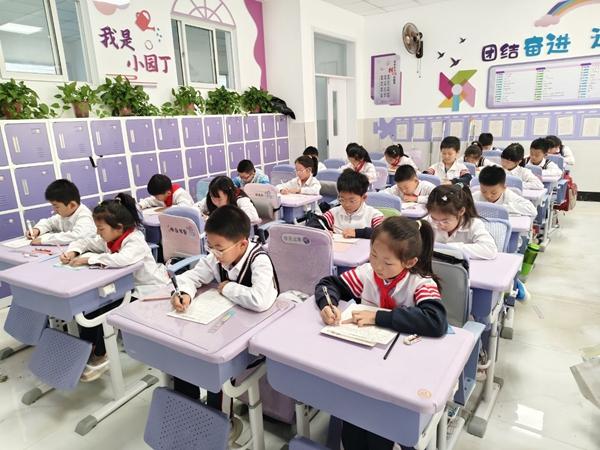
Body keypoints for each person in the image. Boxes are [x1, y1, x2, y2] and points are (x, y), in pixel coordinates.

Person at [314, 216, 447, 450]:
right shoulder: (367, 274)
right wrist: (328, 304)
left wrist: (378, 317)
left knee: (379, 430)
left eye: (387, 262)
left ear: (409, 262)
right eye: (374, 255)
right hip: (364, 363)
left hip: (401, 371)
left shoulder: (420, 283)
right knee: (354, 424)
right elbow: (328, 284)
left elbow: (436, 321)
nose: (378, 266)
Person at [61, 193, 169, 381]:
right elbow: (85, 241)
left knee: (104, 308)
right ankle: (88, 348)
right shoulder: (109, 238)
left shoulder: (134, 240)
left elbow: (122, 259)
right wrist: (73, 251)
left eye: (101, 229)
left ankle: (101, 354)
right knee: (90, 306)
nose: (98, 233)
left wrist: (89, 259)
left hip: (148, 289)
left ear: (118, 227)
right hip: (125, 286)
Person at [426, 184, 498, 260]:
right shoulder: (428, 221)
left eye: (445, 221)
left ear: (461, 211)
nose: (439, 225)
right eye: (434, 219)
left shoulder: (473, 224)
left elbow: (490, 250)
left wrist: (449, 248)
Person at [26, 179, 95, 245]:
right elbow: (48, 222)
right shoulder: (64, 215)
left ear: (72, 205)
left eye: (56, 207)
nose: (54, 210)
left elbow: (77, 236)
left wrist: (44, 240)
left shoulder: (85, 216)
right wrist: (37, 230)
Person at [322, 170, 383, 239]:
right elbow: (316, 223)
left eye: (352, 201)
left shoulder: (373, 215)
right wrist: (323, 231)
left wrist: (357, 233)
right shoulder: (333, 213)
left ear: (363, 198)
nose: (346, 205)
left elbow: (383, 233)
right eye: (342, 199)